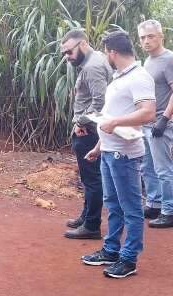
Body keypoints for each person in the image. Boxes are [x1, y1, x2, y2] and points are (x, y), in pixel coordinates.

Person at [81, 30, 156, 278]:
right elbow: (113, 115)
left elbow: (148, 113)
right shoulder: (119, 77)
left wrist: (113, 125)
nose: (106, 56)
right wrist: (98, 146)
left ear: (112, 53)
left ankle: (128, 258)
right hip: (110, 152)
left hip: (125, 155)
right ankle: (111, 250)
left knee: (131, 208)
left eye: (106, 53)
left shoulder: (139, 77)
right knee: (113, 204)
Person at [60, 29, 113, 239]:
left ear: (82, 44)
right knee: (88, 177)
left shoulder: (92, 67)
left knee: (91, 179)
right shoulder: (93, 61)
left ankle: (91, 226)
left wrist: (81, 121)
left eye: (69, 52)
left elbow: (100, 102)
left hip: (88, 131)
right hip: (89, 128)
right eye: (64, 53)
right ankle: (86, 216)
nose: (67, 57)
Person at [138, 19, 173, 228]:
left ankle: (169, 210)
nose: (146, 41)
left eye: (151, 36)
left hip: (163, 123)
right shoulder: (148, 61)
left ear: (161, 36)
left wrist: (165, 118)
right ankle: (154, 203)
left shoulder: (168, 59)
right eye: (142, 37)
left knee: (163, 168)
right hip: (148, 123)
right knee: (147, 166)